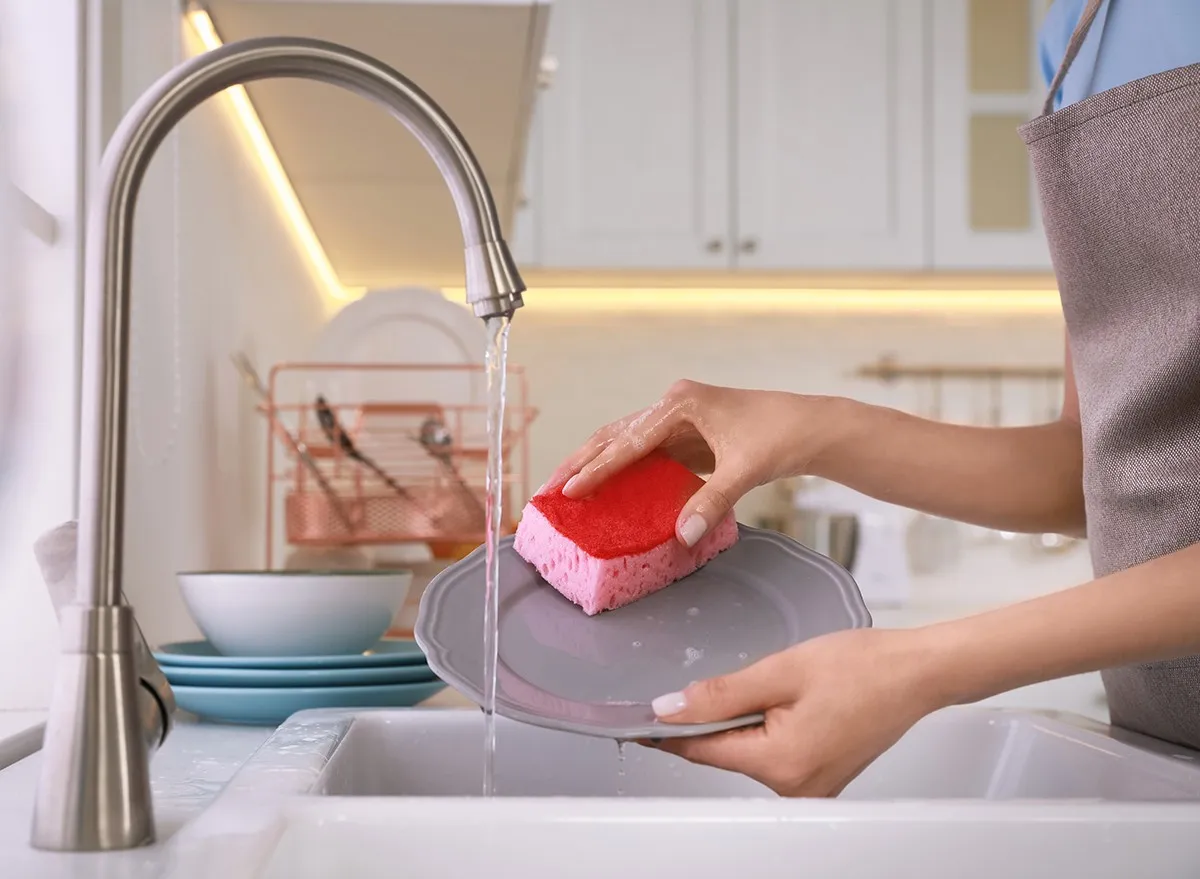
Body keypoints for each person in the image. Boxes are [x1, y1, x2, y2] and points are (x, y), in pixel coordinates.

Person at [544, 0, 1200, 797]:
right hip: (1163, 750)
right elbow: (1093, 471)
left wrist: (920, 664)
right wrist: (815, 429)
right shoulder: (1075, 35)